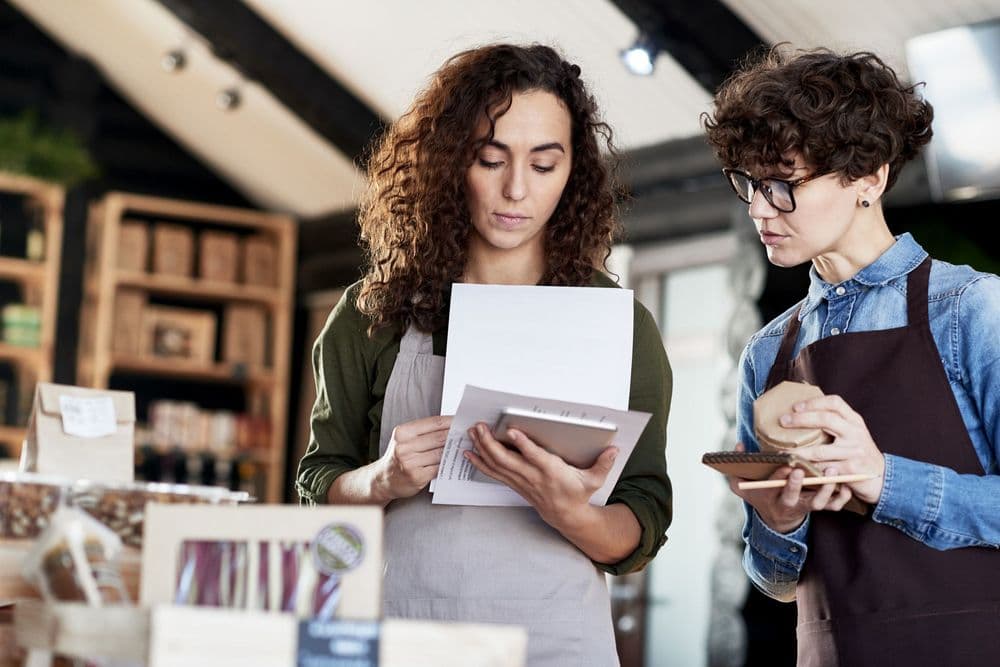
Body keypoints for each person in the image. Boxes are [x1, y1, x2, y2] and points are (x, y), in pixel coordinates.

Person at [297, 43, 672, 666]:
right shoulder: (375, 311)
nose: (515, 189)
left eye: (544, 165)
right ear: (450, 164)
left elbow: (643, 514)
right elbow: (319, 484)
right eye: (490, 159)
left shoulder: (617, 322)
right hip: (402, 635)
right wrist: (381, 478)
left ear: (574, 173)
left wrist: (570, 511)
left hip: (555, 642)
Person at [702, 44, 1000, 666]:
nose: (760, 208)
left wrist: (884, 480)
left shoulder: (971, 308)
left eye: (784, 185)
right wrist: (779, 522)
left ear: (869, 177)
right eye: (751, 185)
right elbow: (776, 581)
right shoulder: (768, 352)